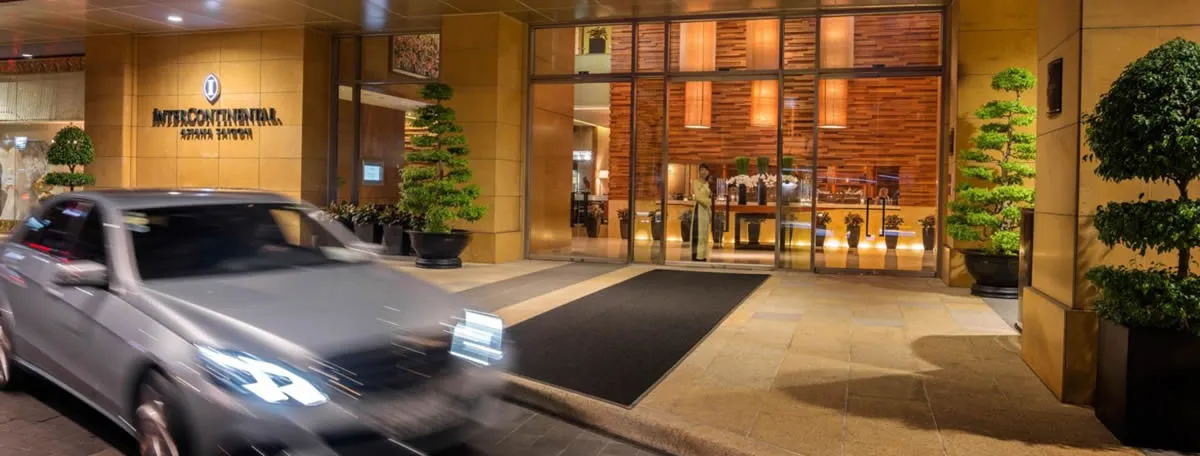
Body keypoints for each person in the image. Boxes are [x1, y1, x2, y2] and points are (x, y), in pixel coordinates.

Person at [691, 163, 715, 261]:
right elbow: (698, 197)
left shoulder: (707, 183)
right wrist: (708, 202)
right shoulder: (696, 182)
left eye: (706, 170)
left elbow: (710, 195)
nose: (704, 171)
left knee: (705, 234)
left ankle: (703, 255)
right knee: (699, 233)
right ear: (699, 171)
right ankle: (697, 255)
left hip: (706, 210)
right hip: (699, 209)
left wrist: (709, 207)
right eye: (702, 169)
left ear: (708, 172)